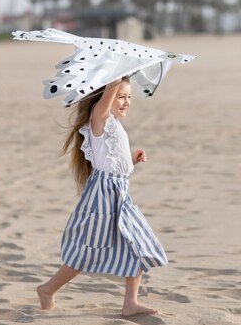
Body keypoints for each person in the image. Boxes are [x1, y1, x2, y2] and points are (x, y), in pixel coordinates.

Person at [36, 77, 168, 316]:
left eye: (129, 97)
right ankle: (48, 289)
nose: (127, 102)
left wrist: (132, 159)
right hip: (103, 197)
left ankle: (130, 303)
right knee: (88, 249)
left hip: (119, 193)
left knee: (136, 244)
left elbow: (112, 160)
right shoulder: (99, 118)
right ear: (104, 98)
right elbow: (107, 97)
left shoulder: (114, 124)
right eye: (121, 96)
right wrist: (115, 75)